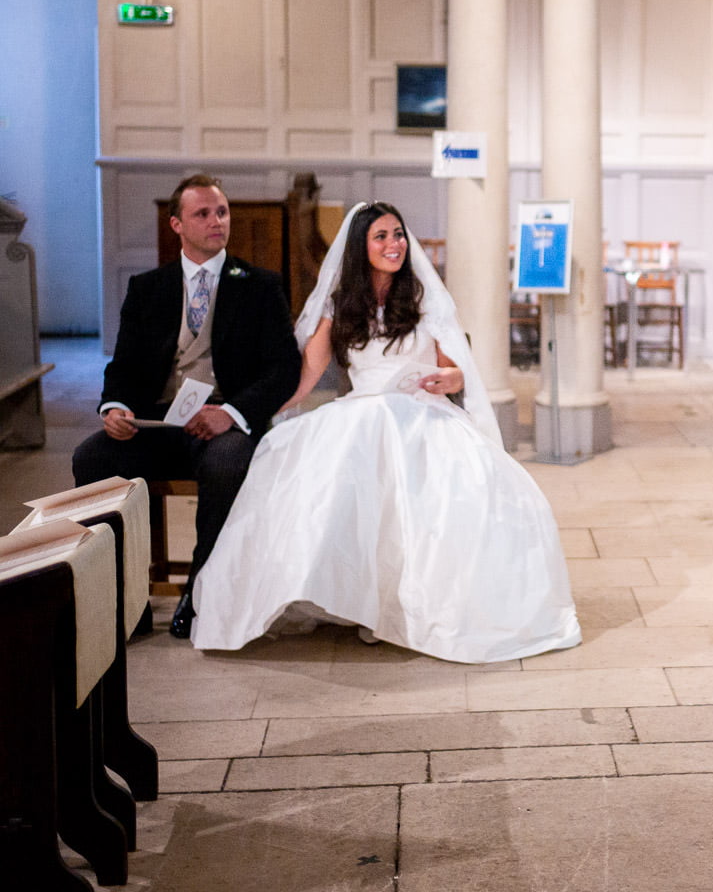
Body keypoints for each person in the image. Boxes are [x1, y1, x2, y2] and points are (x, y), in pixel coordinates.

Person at [189, 202, 582, 664]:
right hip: (360, 412)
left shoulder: (421, 299)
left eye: (398, 234)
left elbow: (455, 372)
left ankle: (410, 605)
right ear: (361, 246)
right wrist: (240, 413)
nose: (394, 244)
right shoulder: (339, 304)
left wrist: (447, 381)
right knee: (320, 466)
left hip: (420, 411)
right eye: (382, 236)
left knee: (457, 489)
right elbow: (304, 380)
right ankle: (356, 597)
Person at [74, 173, 301, 639]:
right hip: (157, 424)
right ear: (177, 224)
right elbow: (125, 366)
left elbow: (283, 369)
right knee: (92, 457)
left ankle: (200, 592)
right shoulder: (148, 288)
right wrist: (114, 407)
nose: (217, 221)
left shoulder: (259, 285)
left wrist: (231, 414)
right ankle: (123, 598)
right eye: (203, 213)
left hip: (222, 422)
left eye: (222, 212)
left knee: (227, 464)